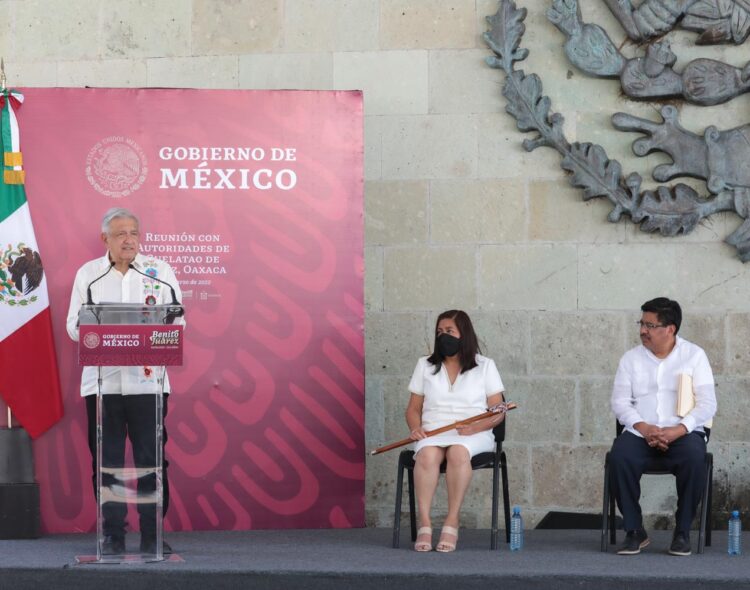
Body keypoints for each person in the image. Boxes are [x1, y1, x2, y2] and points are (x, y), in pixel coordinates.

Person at [66, 207, 184, 556]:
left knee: (152, 459)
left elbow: (178, 323)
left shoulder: (159, 273)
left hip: (149, 386)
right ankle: (113, 536)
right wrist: (108, 332)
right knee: (107, 461)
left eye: (133, 232)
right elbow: (74, 326)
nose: (129, 239)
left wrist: (142, 333)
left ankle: (152, 534)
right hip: (102, 386)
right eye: (120, 234)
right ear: (105, 238)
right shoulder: (88, 274)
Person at [609, 297, 716, 557]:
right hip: (640, 432)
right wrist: (645, 428)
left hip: (682, 433)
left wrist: (679, 429)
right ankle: (634, 531)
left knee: (694, 457)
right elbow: (620, 402)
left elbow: (707, 404)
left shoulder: (694, 355)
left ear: (670, 328)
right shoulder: (630, 359)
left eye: (650, 325)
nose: (642, 331)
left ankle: (682, 531)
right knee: (619, 458)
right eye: (642, 323)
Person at [405, 310, 506, 552]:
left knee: (458, 453)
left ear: (464, 334)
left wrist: (476, 426)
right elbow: (413, 408)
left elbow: (498, 410)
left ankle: (452, 520)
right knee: (427, 455)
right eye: (440, 332)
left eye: (449, 331)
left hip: (474, 434)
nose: (443, 336)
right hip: (434, 432)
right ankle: (425, 523)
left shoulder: (485, 366)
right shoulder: (424, 365)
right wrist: (415, 427)